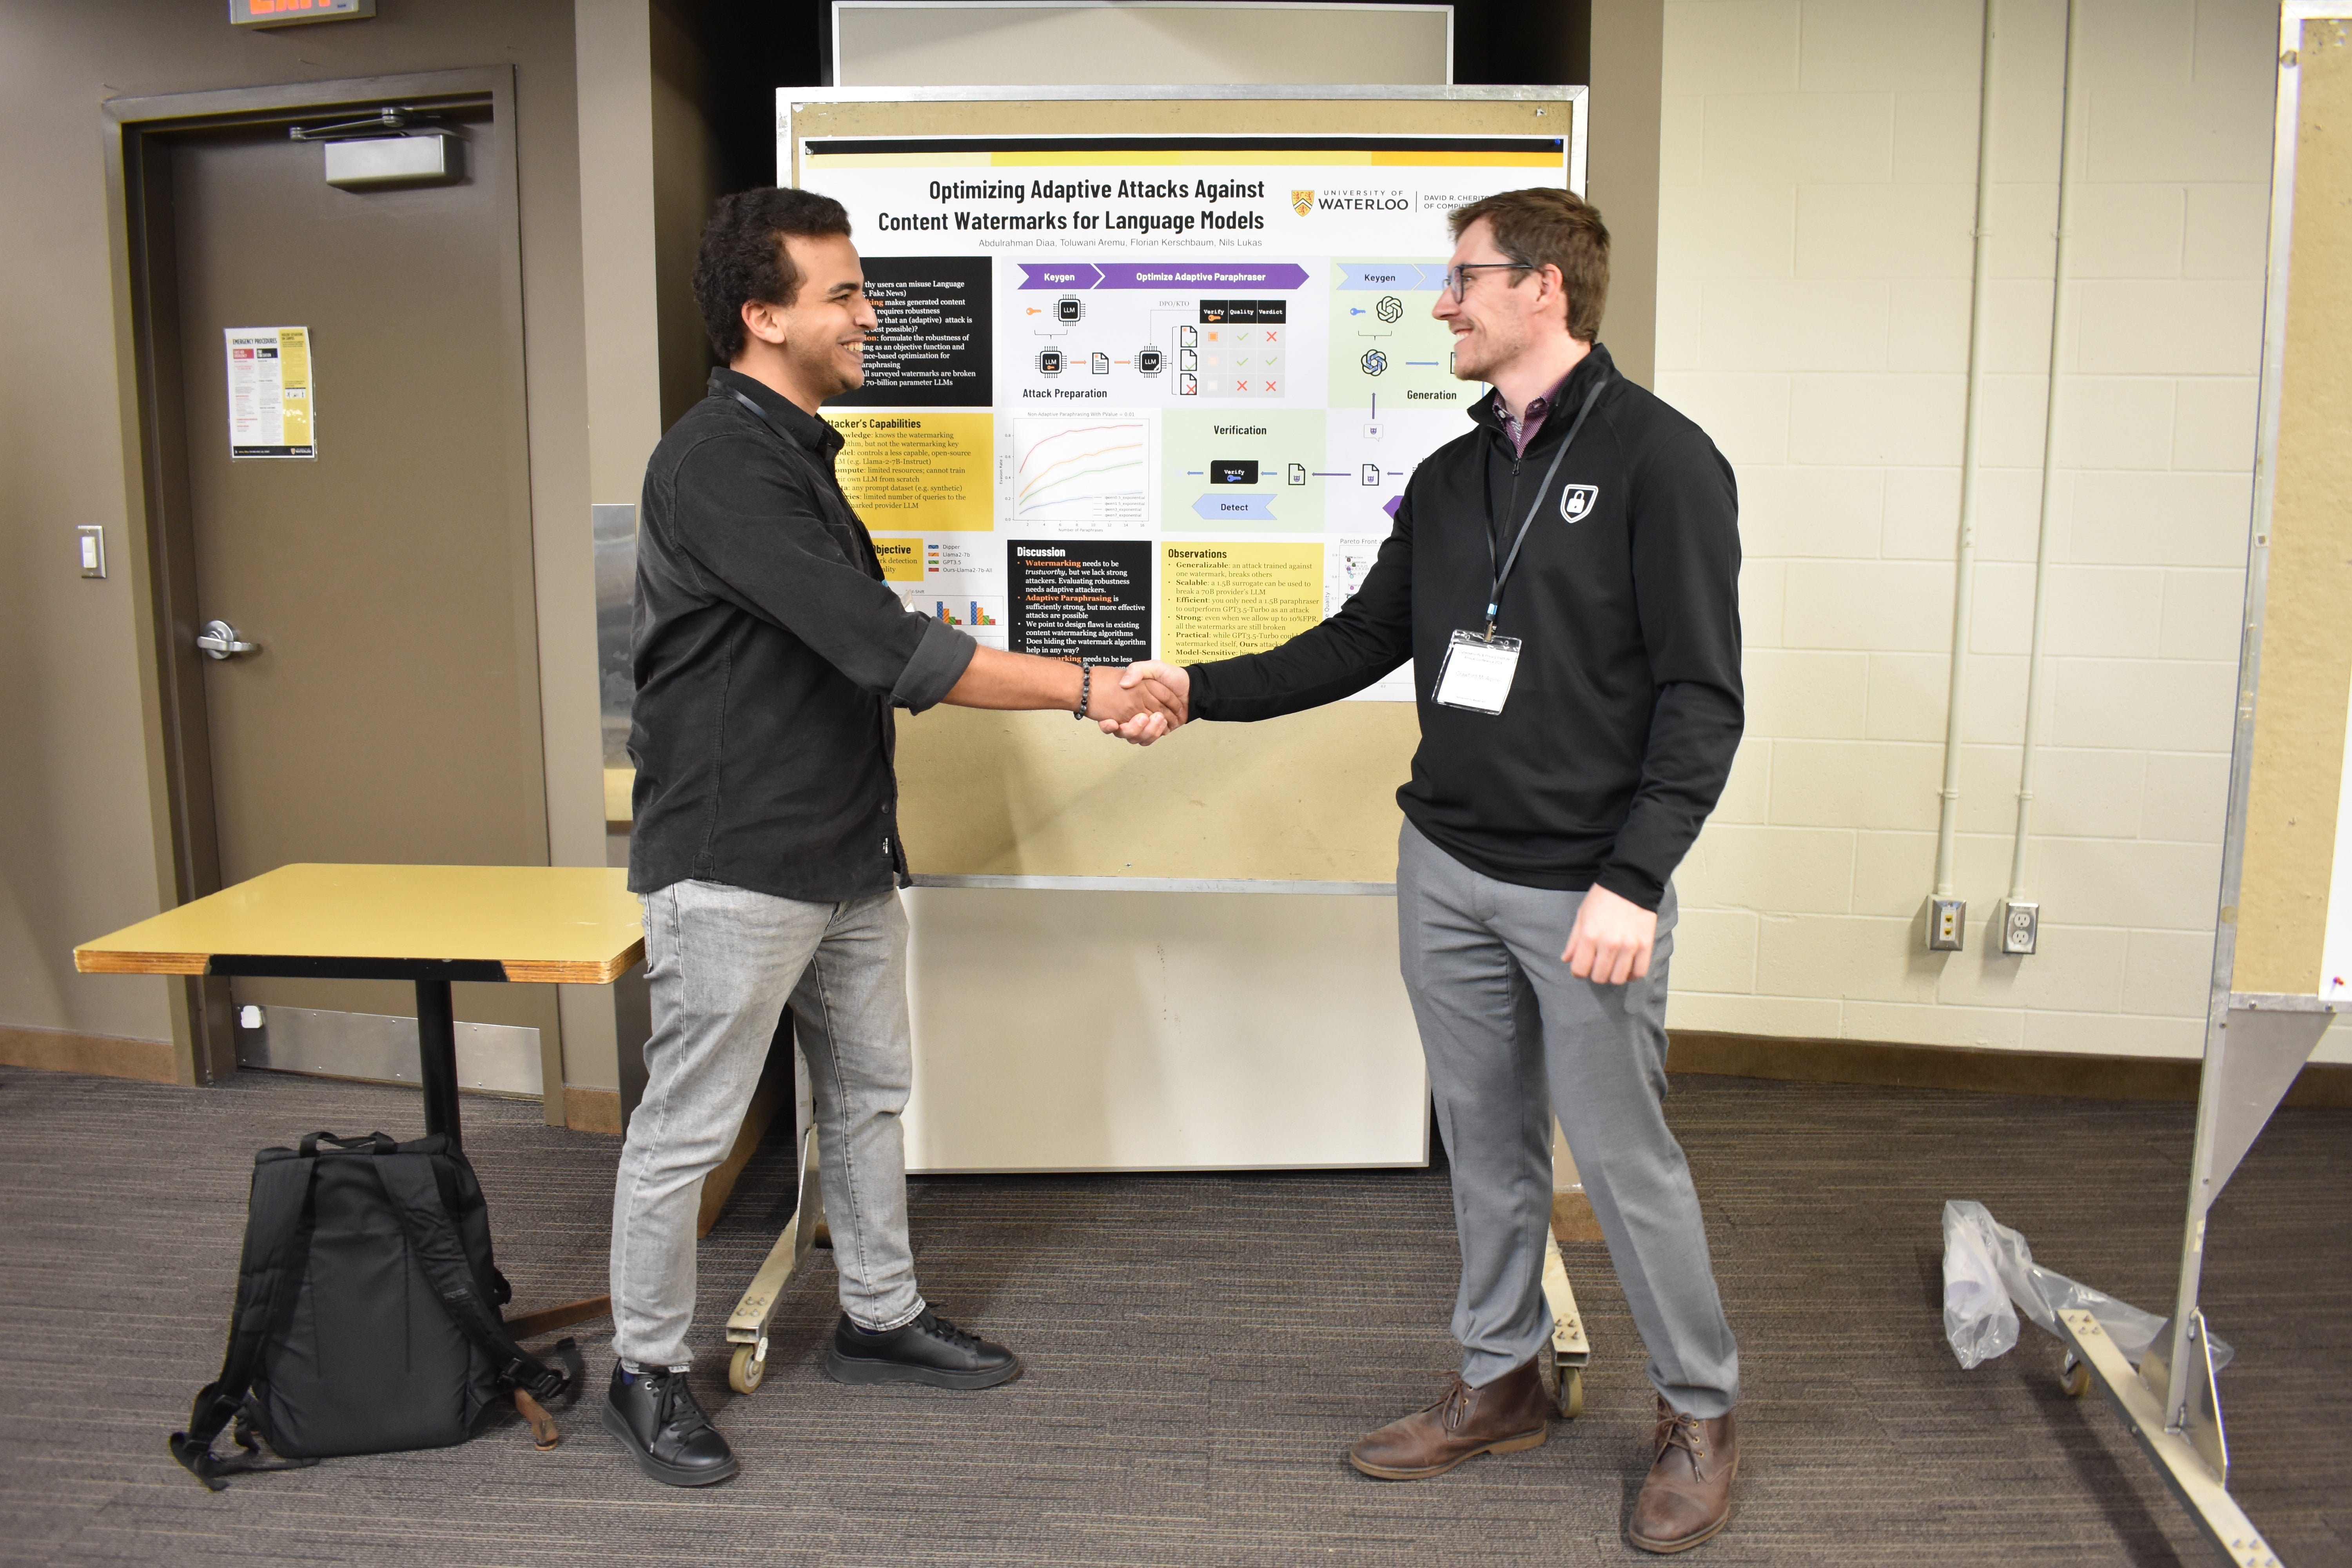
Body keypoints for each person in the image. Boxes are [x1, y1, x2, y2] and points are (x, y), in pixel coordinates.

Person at [1113, 187, 1744, 1553]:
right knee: (1486, 1145)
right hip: (1446, 865)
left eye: (1464, 279)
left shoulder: (1663, 461)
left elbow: (1704, 695)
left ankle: (1699, 1410)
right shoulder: (1458, 474)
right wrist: (1196, 687)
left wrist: (1636, 879)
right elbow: (1362, 639)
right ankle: (1500, 1376)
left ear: (1546, 292)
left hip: (1586, 888)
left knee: (1626, 1163)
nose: (1442, 304)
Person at [605, 187, 1177, 1487]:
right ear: (764, 317)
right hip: (735, 858)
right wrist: (1090, 686)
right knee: (686, 1130)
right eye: (845, 293)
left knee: (867, 1097)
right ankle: (642, 1371)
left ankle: (879, 1316)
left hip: (844, 850)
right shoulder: (718, 463)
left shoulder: (796, 450)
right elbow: (882, 648)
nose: (872, 314)